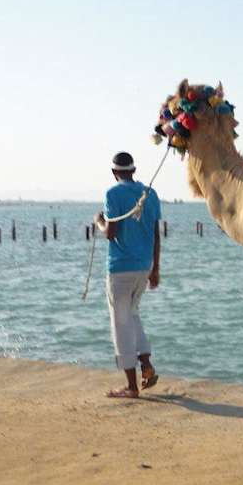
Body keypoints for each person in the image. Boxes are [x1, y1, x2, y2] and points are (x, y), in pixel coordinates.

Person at [94, 151, 162, 399]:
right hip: (143, 266)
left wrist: (99, 221)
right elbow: (156, 233)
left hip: (121, 267)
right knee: (132, 316)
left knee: (120, 324)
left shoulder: (113, 194)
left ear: (114, 173)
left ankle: (132, 387)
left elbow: (110, 233)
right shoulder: (150, 194)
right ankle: (146, 365)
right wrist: (155, 269)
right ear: (133, 171)